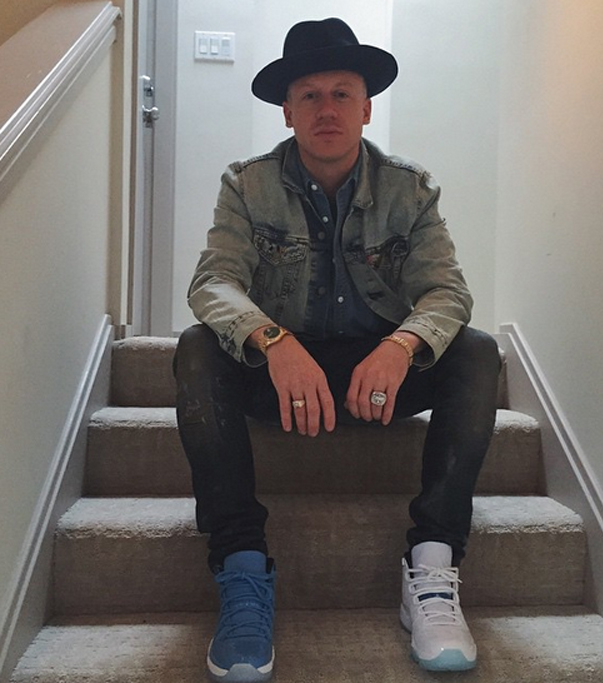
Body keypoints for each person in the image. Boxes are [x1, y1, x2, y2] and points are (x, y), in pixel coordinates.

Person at [173, 17, 500, 683]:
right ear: (288, 111)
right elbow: (214, 283)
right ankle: (242, 570)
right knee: (196, 350)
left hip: (377, 378)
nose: (327, 110)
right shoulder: (246, 185)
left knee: (476, 351)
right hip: (282, 376)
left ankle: (433, 566)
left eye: (342, 94)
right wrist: (274, 341)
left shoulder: (410, 189)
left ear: (366, 107)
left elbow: (446, 291)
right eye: (311, 95)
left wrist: (403, 344)